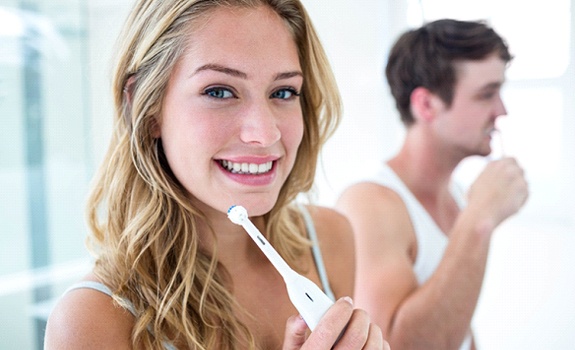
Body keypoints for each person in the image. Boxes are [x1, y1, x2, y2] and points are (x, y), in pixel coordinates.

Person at [44, 0, 387, 349]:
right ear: (146, 109)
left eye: (283, 92)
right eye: (219, 91)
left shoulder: (330, 241)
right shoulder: (91, 321)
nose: (265, 134)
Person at [336, 19, 529, 350]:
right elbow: (394, 345)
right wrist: (480, 219)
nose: (501, 111)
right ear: (426, 105)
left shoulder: (456, 195)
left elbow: (457, 322)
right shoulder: (370, 202)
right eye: (487, 94)